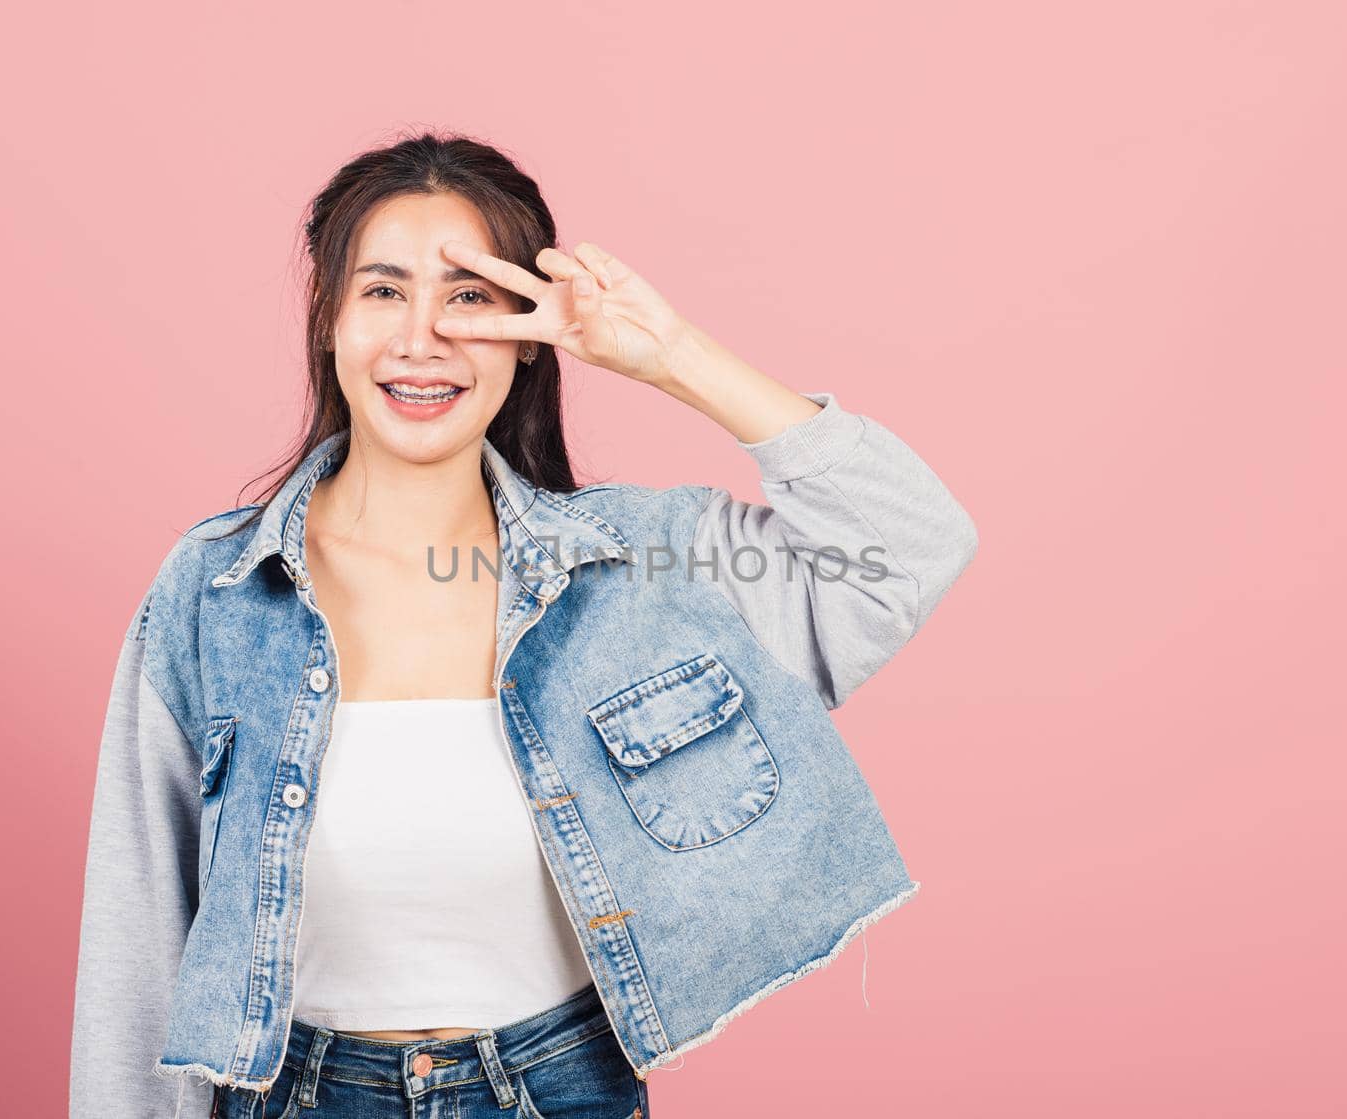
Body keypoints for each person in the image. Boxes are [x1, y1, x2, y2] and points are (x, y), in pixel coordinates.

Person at [70, 131, 978, 1118]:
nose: (422, 339)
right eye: (382, 292)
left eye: (469, 297)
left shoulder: (640, 567)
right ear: (327, 317)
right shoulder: (217, 589)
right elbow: (139, 942)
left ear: (527, 330)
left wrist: (672, 358)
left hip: (561, 1093)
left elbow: (909, 545)